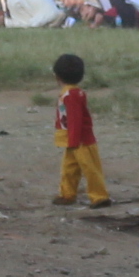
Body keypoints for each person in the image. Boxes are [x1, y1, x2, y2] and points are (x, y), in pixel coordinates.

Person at [52, 51, 110, 208]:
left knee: (90, 168)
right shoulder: (70, 93)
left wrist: (73, 139)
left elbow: (75, 120)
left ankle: (99, 196)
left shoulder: (72, 95)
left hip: (80, 140)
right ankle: (67, 194)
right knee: (69, 168)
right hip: (73, 139)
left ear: (57, 76)